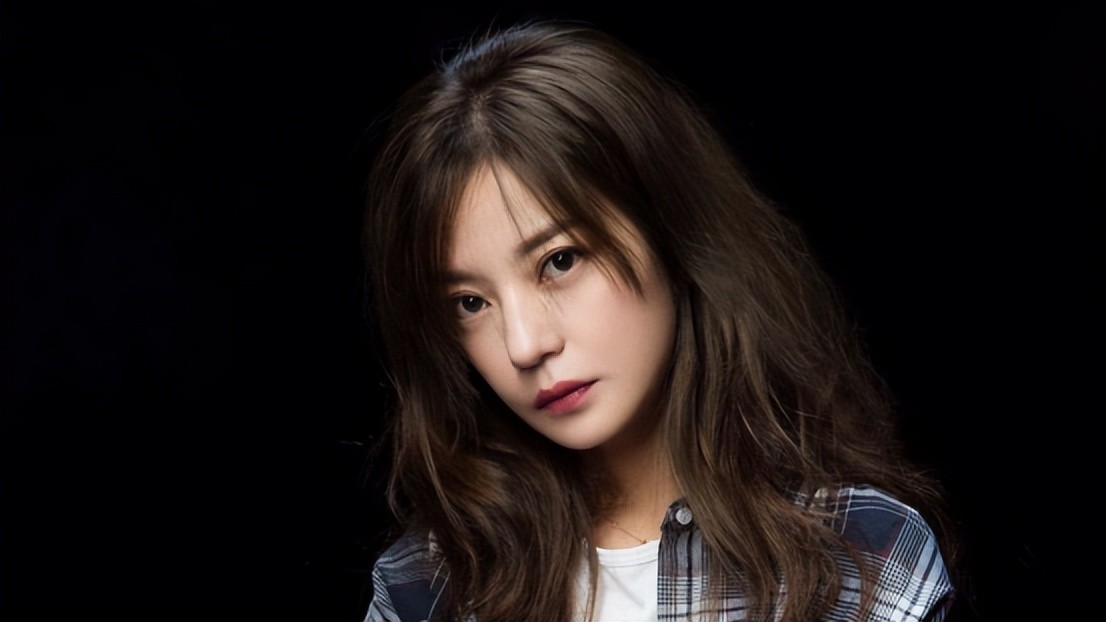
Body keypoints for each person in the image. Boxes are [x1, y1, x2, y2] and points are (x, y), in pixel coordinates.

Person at [358, 18, 958, 622]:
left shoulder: (864, 561)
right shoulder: (427, 588)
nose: (523, 345)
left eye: (560, 261)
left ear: (670, 230)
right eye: (470, 302)